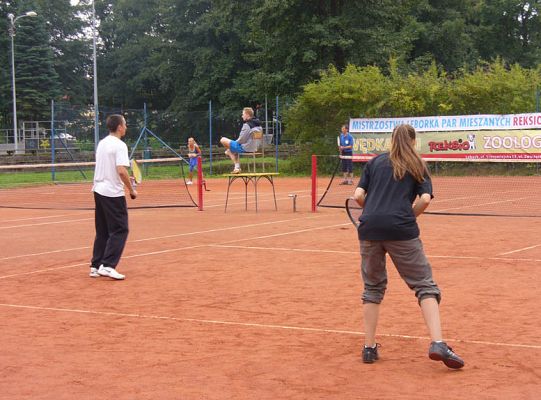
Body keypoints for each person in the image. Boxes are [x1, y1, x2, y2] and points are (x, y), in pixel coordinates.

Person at [353, 124, 464, 369]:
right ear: (413, 142)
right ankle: (437, 342)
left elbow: (358, 196)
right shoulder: (418, 164)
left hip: (369, 228)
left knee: (372, 287)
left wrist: (373, 212)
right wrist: (409, 216)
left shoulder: (375, 163)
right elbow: (425, 199)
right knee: (425, 285)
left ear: (391, 140)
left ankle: (369, 348)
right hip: (402, 229)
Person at [89, 114, 137, 280]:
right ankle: (108, 265)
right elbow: (121, 170)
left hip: (98, 190)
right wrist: (131, 190)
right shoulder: (120, 145)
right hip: (112, 193)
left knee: (102, 230)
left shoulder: (102, 143)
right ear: (119, 127)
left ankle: (95, 266)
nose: (126, 127)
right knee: (120, 229)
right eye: (125, 124)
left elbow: (114, 169)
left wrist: (125, 180)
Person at [220, 107, 262, 174]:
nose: (242, 116)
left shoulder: (247, 125)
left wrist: (232, 143)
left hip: (245, 148)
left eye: (243, 114)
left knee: (223, 140)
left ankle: (237, 165)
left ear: (247, 115)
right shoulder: (259, 126)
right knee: (230, 149)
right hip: (254, 148)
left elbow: (241, 140)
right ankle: (235, 161)